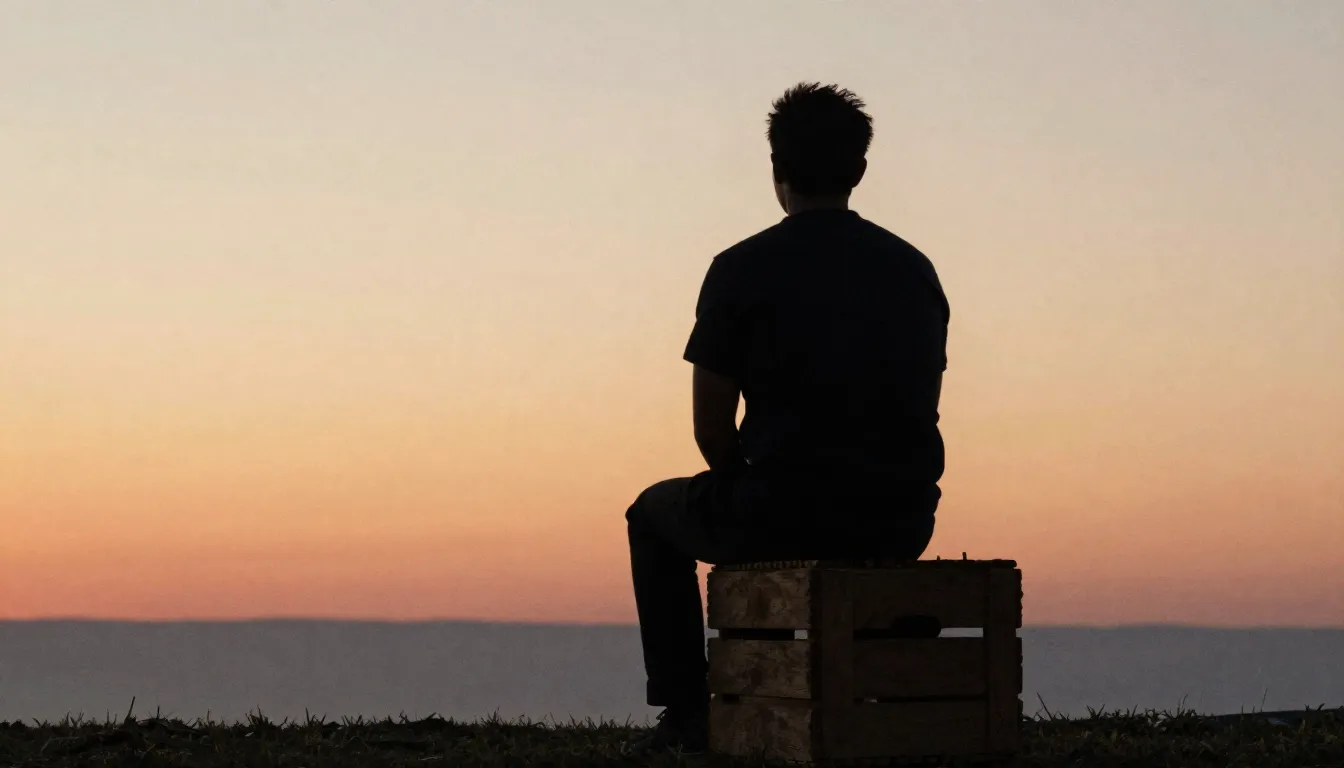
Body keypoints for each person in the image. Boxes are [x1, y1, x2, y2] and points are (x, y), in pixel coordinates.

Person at [623, 82, 951, 756]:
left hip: (783, 510)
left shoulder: (740, 269)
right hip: (900, 518)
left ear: (777, 167)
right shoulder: (913, 270)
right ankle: (883, 644)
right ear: (860, 169)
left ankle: (686, 714)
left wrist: (746, 490)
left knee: (650, 516)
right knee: (785, 512)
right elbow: (918, 404)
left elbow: (711, 431)